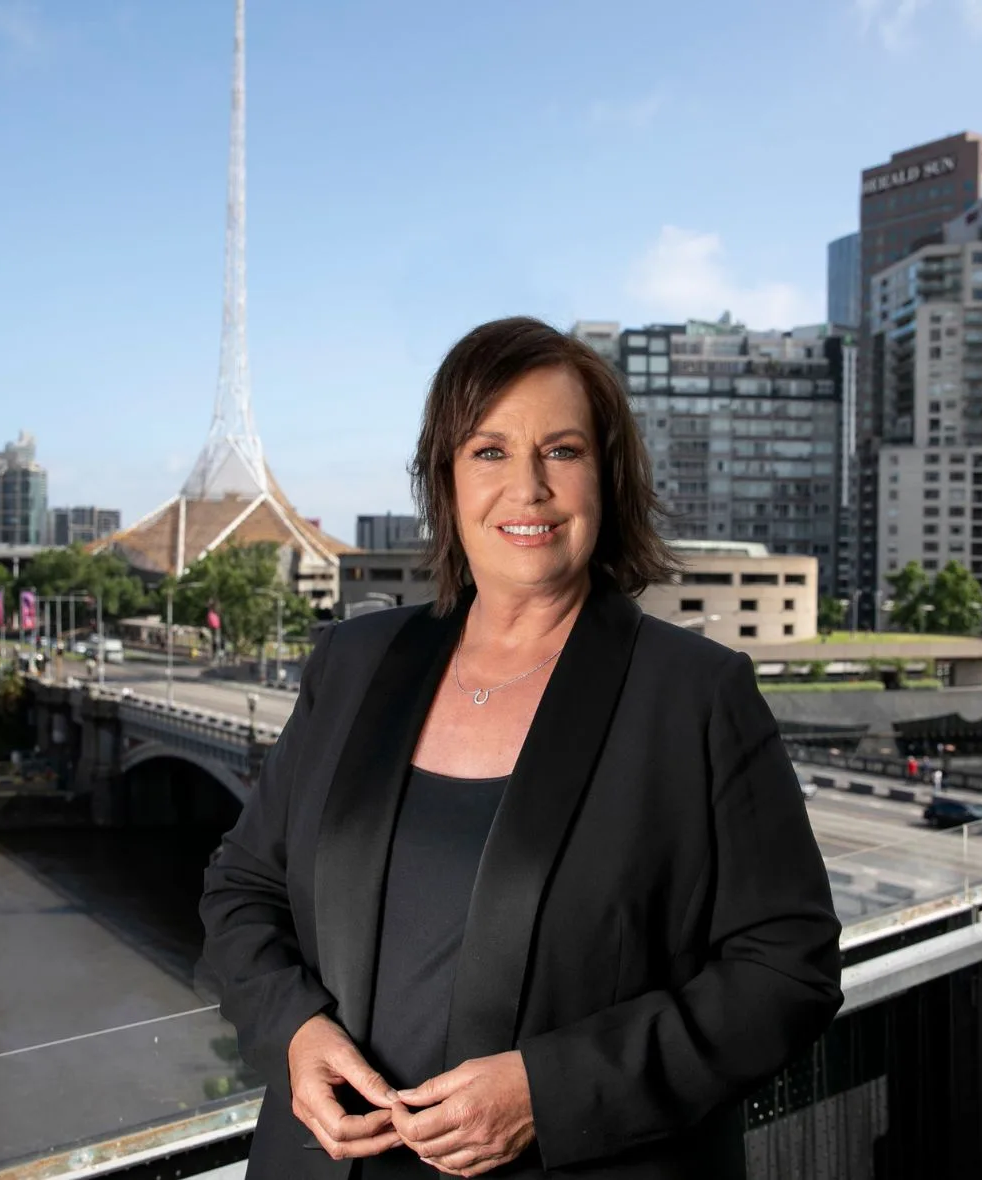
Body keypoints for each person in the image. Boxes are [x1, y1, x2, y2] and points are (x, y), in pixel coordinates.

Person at [200, 317, 844, 1179]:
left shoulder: (694, 698)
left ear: (607, 478)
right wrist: (292, 1031)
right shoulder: (352, 666)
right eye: (490, 451)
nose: (528, 488)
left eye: (564, 451)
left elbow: (786, 974)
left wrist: (553, 1091)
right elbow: (241, 889)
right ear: (446, 479)